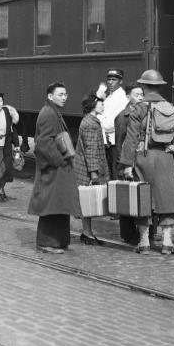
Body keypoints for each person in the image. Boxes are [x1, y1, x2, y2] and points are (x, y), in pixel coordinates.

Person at [120, 69, 174, 255]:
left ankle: (144, 243)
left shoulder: (139, 108)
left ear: (143, 86)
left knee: (143, 200)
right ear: (159, 86)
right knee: (166, 199)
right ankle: (166, 243)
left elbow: (131, 138)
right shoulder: (169, 106)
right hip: (165, 158)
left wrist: (126, 164)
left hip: (144, 157)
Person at [27, 82, 81, 254]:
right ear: (50, 96)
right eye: (60, 94)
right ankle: (46, 243)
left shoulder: (52, 111)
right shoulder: (49, 113)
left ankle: (58, 241)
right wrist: (58, 161)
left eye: (65, 94)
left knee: (59, 205)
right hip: (53, 169)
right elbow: (44, 143)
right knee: (52, 205)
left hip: (56, 168)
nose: (64, 97)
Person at [73, 93, 109, 245]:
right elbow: (91, 149)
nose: (103, 106)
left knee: (86, 202)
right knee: (88, 202)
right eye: (100, 104)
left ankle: (87, 232)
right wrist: (94, 173)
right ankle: (87, 233)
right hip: (87, 170)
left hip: (84, 166)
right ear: (93, 106)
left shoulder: (89, 121)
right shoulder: (91, 124)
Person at [114, 83, 145, 245]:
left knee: (142, 198)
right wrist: (123, 165)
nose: (140, 97)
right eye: (136, 94)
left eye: (142, 94)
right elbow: (119, 144)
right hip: (127, 164)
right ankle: (128, 234)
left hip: (140, 163)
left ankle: (144, 233)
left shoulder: (144, 113)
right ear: (128, 97)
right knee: (127, 200)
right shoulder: (122, 117)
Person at [97, 68, 127, 175]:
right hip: (108, 140)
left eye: (114, 80)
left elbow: (115, 123)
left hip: (115, 141)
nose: (110, 82)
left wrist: (99, 124)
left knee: (115, 170)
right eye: (109, 79)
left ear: (121, 81)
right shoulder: (110, 96)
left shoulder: (122, 98)